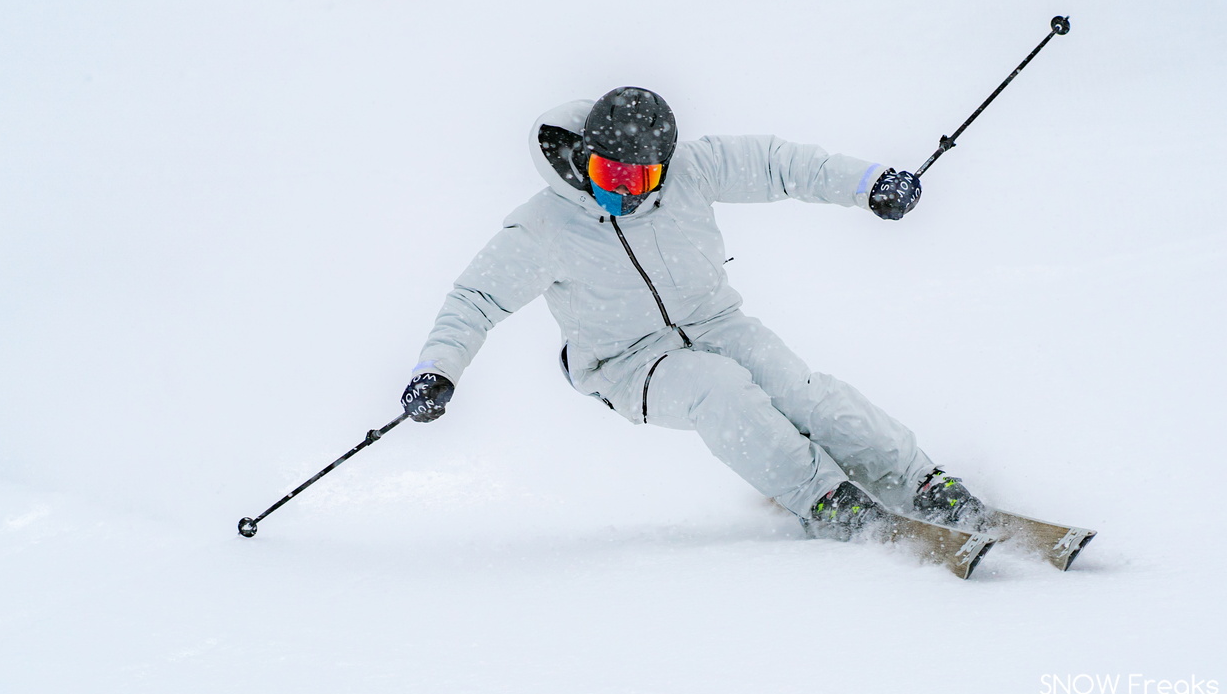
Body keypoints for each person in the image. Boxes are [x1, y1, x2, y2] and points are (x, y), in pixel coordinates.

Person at [400, 86, 986, 540]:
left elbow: (779, 164)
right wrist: (437, 370)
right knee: (721, 390)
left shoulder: (691, 171)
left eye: (641, 178)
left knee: (800, 388)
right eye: (610, 175)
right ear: (585, 156)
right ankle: (824, 498)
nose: (625, 192)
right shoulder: (544, 226)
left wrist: (869, 183)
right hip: (627, 365)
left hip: (718, 324)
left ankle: (919, 482)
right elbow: (475, 299)